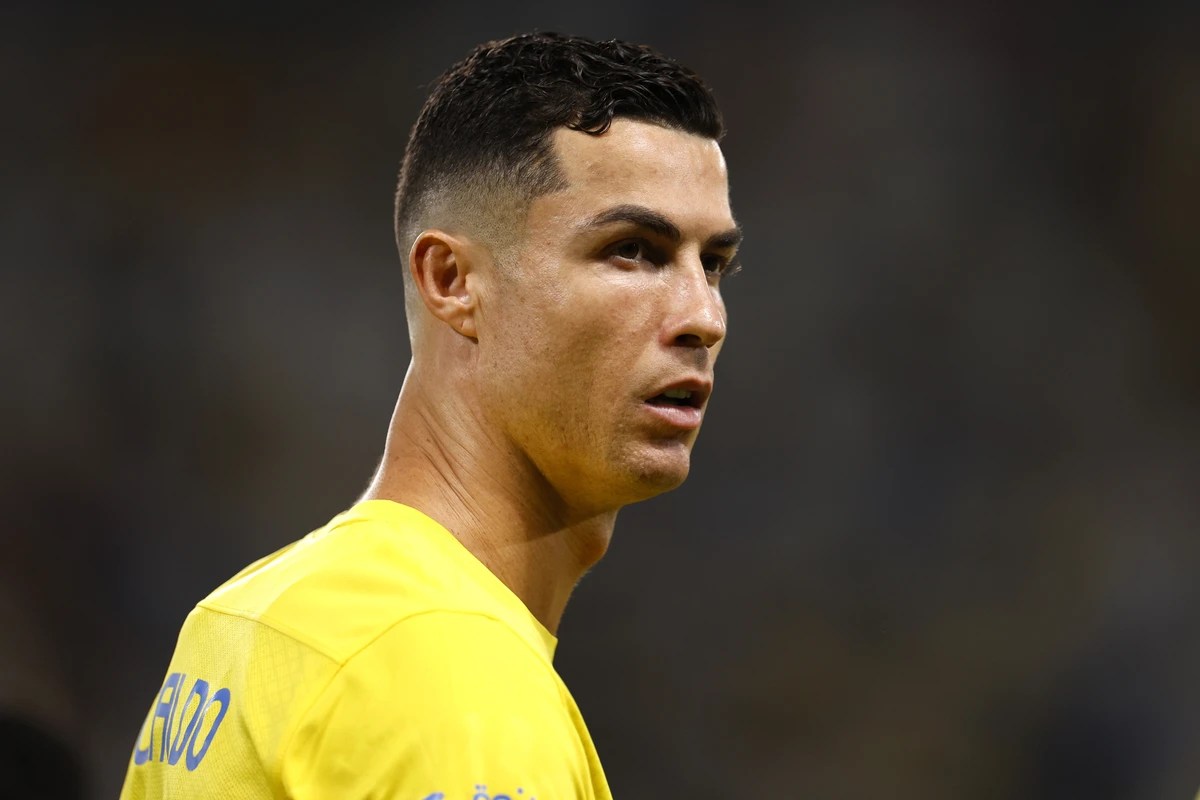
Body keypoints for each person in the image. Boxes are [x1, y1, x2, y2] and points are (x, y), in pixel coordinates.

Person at [119, 31, 741, 800]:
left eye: (713, 264)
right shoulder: (453, 682)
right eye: (634, 250)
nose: (703, 316)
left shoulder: (245, 622)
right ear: (451, 280)